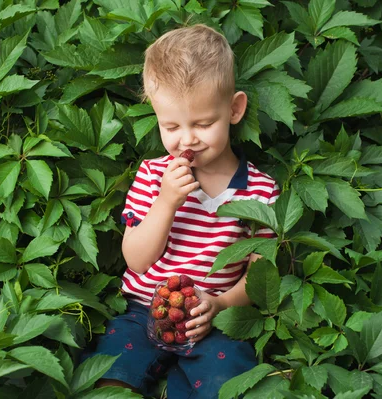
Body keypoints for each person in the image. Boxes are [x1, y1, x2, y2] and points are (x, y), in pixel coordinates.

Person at [82, 24, 280, 399]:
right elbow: (136, 260)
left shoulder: (260, 191)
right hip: (144, 311)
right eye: (170, 126)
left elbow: (260, 275)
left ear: (234, 109)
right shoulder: (153, 175)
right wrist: (166, 202)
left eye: (204, 124)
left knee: (226, 383)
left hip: (215, 318)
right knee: (110, 376)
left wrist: (220, 304)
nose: (186, 139)